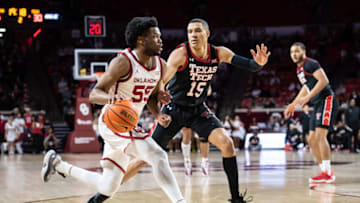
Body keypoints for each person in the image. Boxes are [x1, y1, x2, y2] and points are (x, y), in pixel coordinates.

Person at [121, 18, 270, 203]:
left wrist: (258, 64)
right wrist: (158, 109)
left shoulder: (219, 52)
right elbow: (159, 83)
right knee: (144, 158)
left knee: (227, 144)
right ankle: (105, 189)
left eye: (197, 31)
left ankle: (236, 198)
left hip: (198, 110)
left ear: (207, 33)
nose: (193, 35)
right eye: (190, 31)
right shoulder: (180, 54)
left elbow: (248, 65)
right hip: (174, 109)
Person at [41, 17, 186, 203]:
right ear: (141, 39)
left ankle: (58, 165)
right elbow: (95, 94)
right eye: (155, 37)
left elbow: (151, 96)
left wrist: (159, 113)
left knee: (107, 187)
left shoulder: (161, 65)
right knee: (158, 155)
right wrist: (112, 99)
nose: (161, 40)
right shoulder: (123, 62)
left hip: (127, 123)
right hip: (113, 122)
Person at [284, 42, 338, 184]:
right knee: (312, 139)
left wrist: (307, 97)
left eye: (296, 51)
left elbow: (324, 80)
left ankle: (328, 173)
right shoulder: (299, 70)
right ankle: (323, 172)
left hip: (326, 100)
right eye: (291, 52)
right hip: (317, 103)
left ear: (304, 51)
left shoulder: (310, 63)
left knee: (320, 137)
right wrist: (293, 104)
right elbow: (305, 87)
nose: (294, 54)